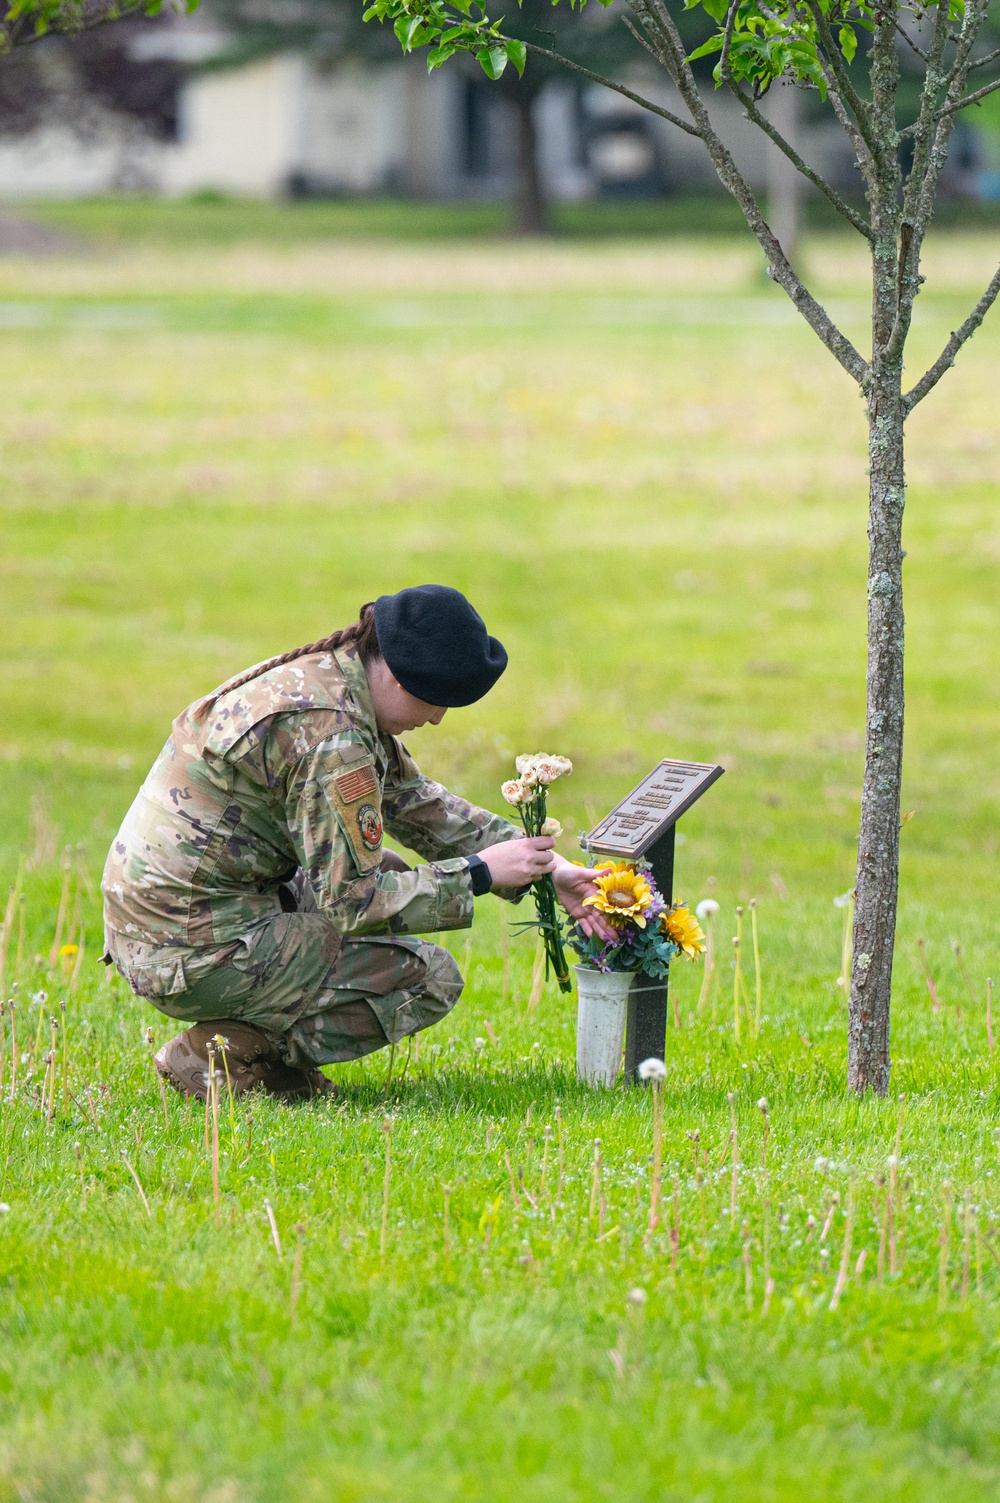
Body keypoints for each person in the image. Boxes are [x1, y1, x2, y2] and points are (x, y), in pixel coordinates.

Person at [102, 584, 611, 1100]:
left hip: (169, 922)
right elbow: (352, 902)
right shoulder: (331, 735)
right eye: (434, 699)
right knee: (427, 978)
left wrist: (551, 869)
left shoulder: (334, 678)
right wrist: (479, 874)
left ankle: (237, 1042)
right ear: (394, 673)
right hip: (183, 951)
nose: (437, 718)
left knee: (384, 862)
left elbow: (416, 803)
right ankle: (226, 1056)